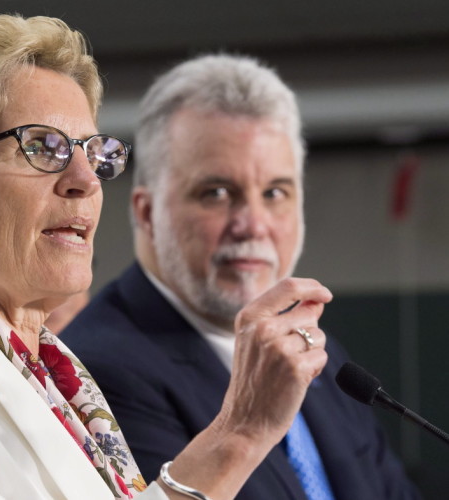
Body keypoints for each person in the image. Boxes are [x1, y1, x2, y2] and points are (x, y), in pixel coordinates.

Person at [0, 16, 335, 500]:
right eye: (42, 147)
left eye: (94, 153)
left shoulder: (60, 381)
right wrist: (236, 435)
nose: (85, 181)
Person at [62, 54, 421, 499]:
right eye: (216, 193)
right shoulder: (92, 374)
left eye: (275, 192)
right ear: (147, 212)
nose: (253, 224)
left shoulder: (311, 354)